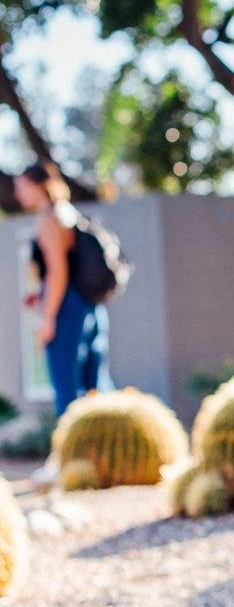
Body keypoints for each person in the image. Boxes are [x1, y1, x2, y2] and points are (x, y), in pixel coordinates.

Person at [14, 162, 113, 419]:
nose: (17, 194)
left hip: (67, 306)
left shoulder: (49, 218)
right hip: (88, 305)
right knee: (95, 382)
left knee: (66, 384)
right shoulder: (68, 212)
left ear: (38, 186)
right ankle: (108, 443)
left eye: (21, 187)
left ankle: (71, 451)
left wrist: (47, 317)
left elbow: (58, 271)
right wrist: (41, 293)